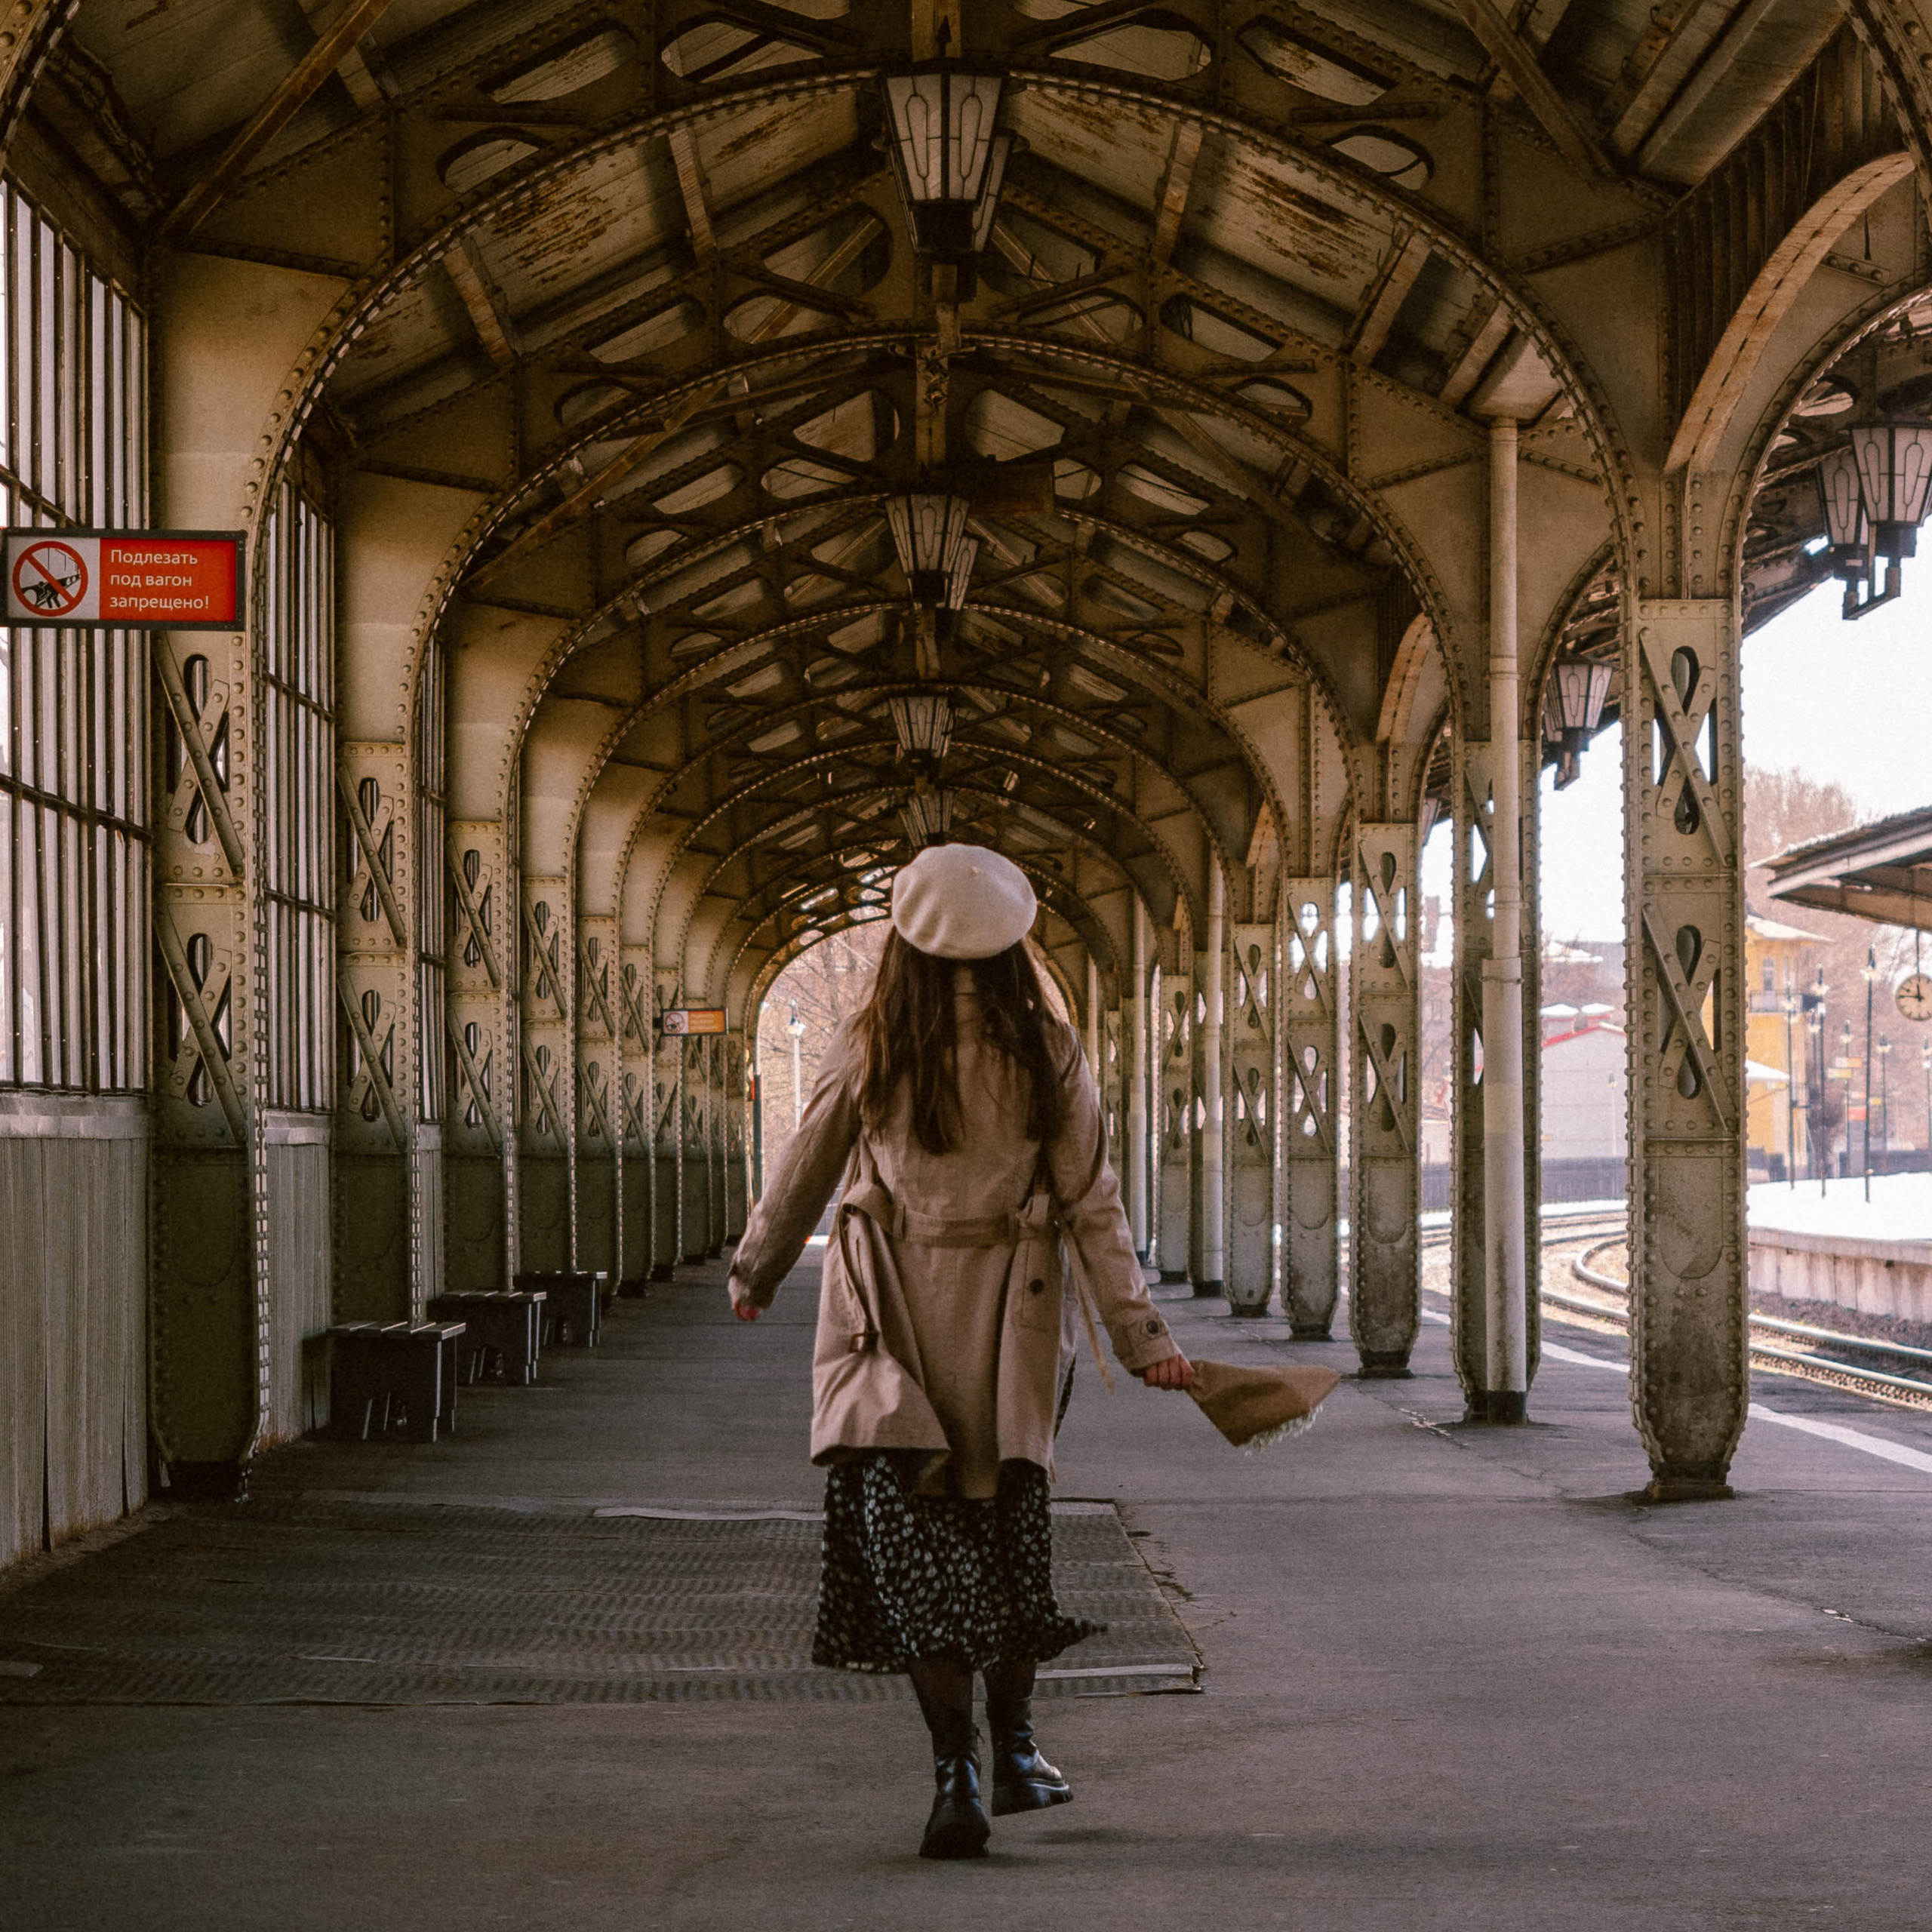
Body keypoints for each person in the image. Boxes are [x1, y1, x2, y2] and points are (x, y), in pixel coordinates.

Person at [727, 843, 1195, 1860]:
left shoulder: (873, 1047)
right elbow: (1094, 1207)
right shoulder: (1050, 1054)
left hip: (888, 1329)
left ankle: (958, 1775)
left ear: (908, 945)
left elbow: (800, 1173)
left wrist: (756, 1272)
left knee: (921, 1563)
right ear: (1015, 945)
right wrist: (1140, 1335)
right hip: (1012, 1335)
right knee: (1001, 1547)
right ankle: (1019, 1746)